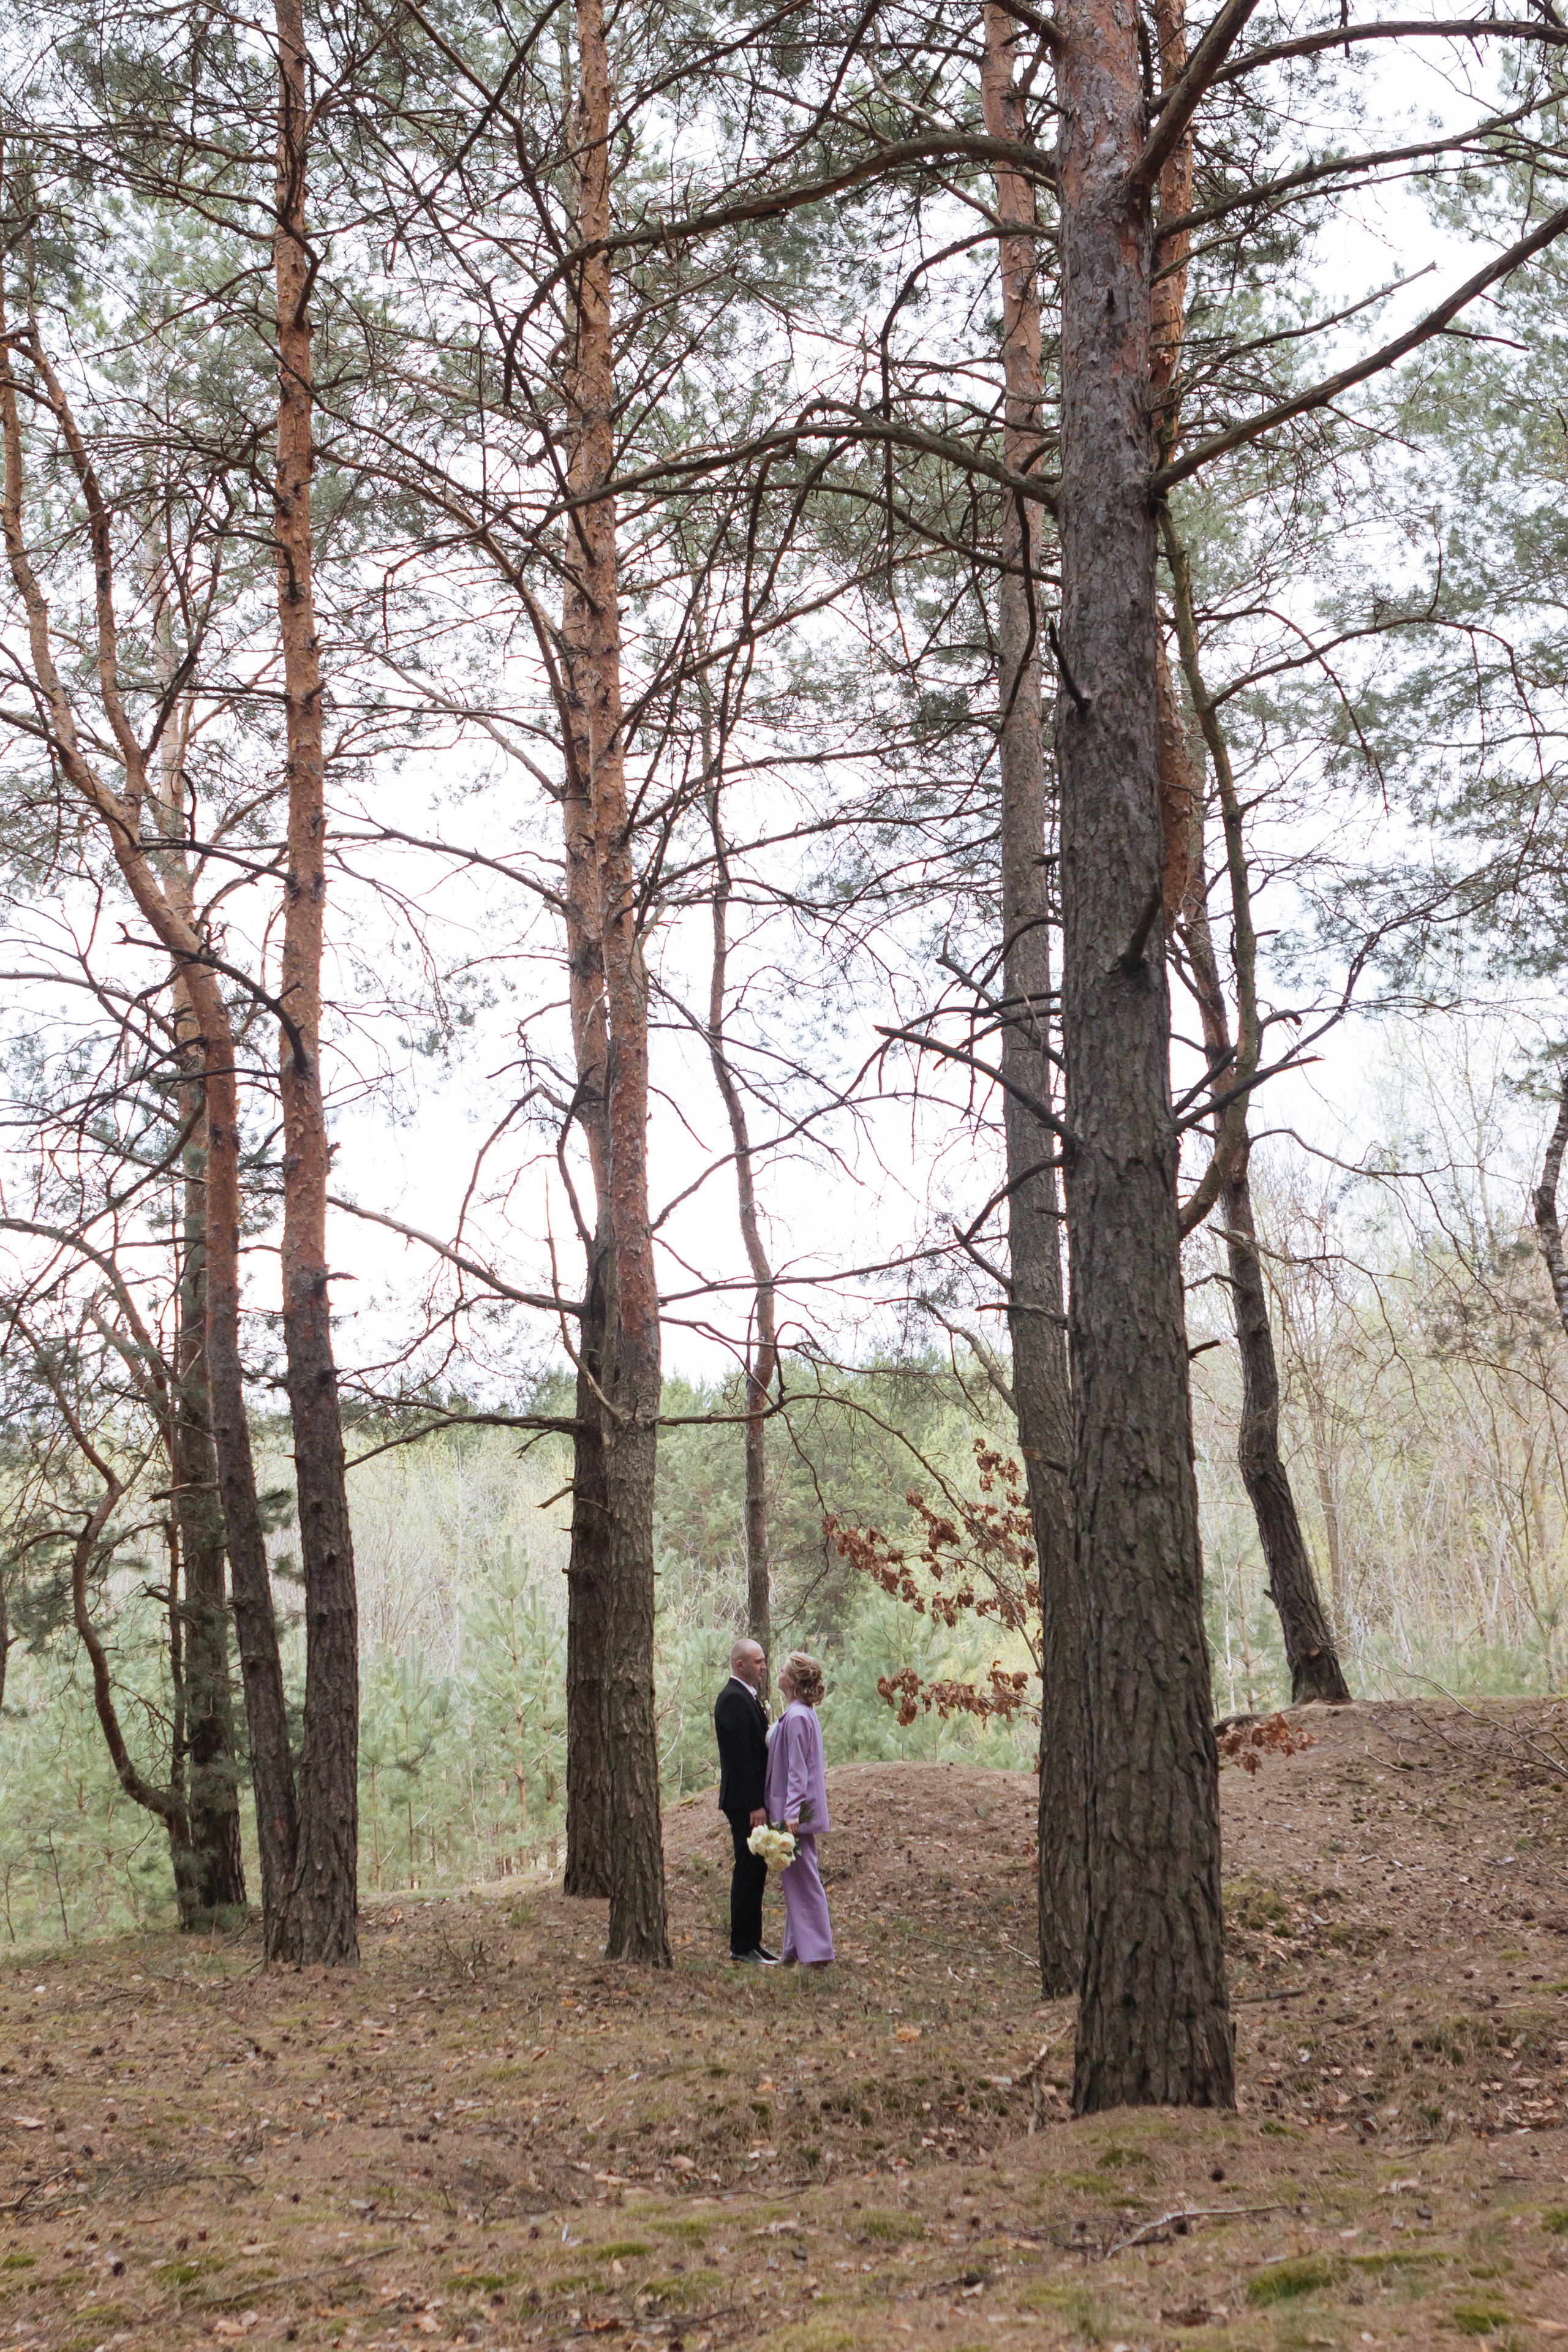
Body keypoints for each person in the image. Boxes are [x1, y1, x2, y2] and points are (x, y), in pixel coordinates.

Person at [764, 1651, 834, 1967]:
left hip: (795, 1815)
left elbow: (797, 1770)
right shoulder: (800, 1713)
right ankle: (793, 1950)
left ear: (791, 1681)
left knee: (805, 1883)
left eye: (782, 1670)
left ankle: (818, 1954)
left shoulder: (797, 1717)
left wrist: (791, 1814)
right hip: (796, 1812)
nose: (776, 1672)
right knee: (797, 1881)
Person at [713, 1638, 778, 1965]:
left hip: (749, 1801)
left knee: (756, 1870)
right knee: (748, 1870)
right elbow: (740, 1760)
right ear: (740, 1665)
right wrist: (756, 1805)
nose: (764, 1667)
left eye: (764, 1661)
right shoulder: (733, 1701)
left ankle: (752, 1943)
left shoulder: (746, 1697)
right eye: (758, 1662)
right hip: (743, 1803)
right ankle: (741, 1946)